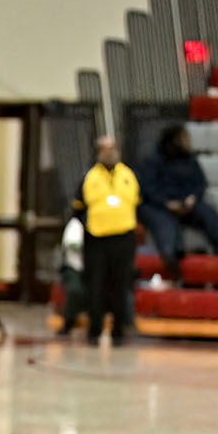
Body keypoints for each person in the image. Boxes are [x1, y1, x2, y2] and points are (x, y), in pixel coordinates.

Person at [141, 124, 218, 278]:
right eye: (184, 138)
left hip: (187, 203)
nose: (188, 141)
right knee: (163, 223)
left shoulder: (190, 160)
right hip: (161, 205)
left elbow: (200, 183)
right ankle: (171, 255)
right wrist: (166, 203)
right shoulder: (152, 161)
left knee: (207, 211)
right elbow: (148, 189)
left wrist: (192, 198)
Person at [81, 135, 140, 345]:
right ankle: (94, 330)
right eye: (104, 149)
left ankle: (119, 331)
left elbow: (136, 202)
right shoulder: (90, 177)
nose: (109, 152)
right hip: (97, 238)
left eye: (112, 148)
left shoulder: (128, 175)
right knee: (95, 285)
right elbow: (79, 206)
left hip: (123, 238)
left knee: (120, 285)